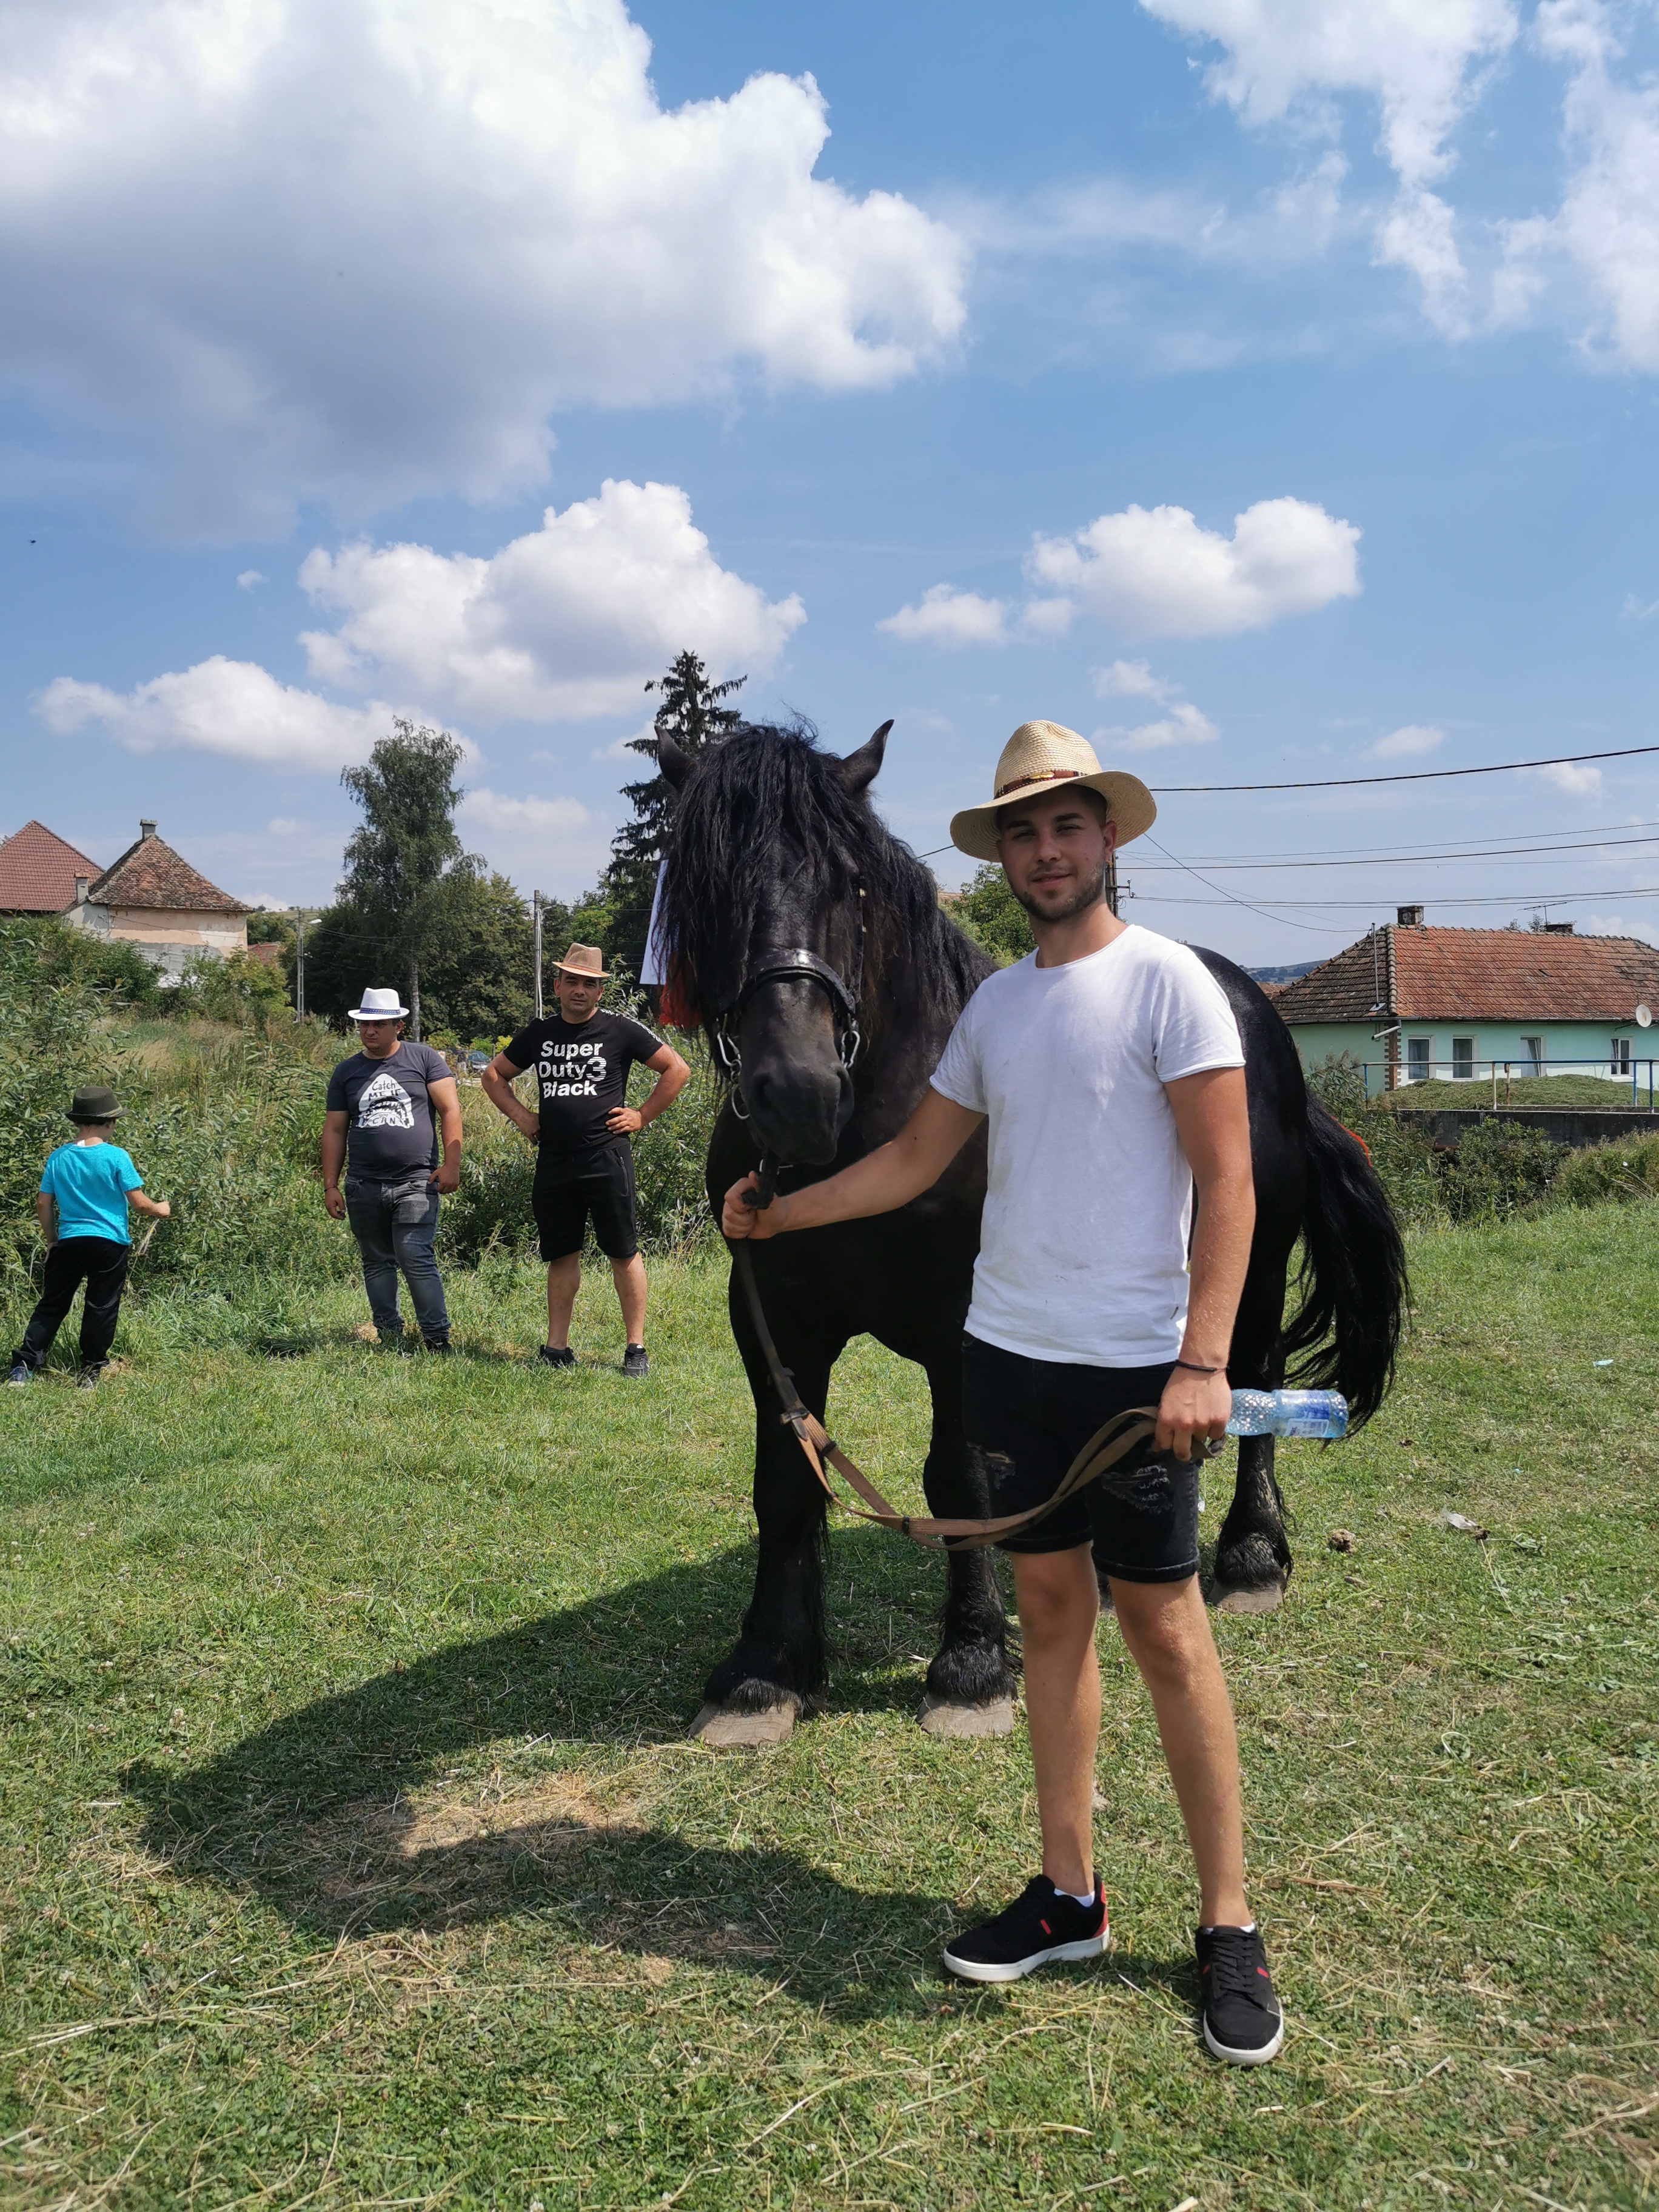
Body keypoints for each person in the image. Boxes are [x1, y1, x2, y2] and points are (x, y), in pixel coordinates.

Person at [723, 720, 1284, 2066]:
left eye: (1066, 826)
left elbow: (1228, 1181)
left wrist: (1204, 1358)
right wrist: (782, 1217)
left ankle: (1229, 1923)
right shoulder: (995, 1008)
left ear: (1108, 838)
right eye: (1023, 832)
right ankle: (1068, 1894)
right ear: (1003, 857)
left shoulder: (1170, 985)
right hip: (1013, 1359)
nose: (1046, 851)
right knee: (1047, 1618)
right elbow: (915, 1160)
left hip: (1132, 1372)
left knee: (1166, 1632)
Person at [484, 943, 689, 1377]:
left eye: (589, 984)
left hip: (606, 1158)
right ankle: (556, 1348)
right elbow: (493, 1074)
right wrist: (522, 1116)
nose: (580, 990)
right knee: (562, 1255)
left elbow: (677, 1070)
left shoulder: (620, 1029)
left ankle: (635, 1348)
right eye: (572, 981)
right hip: (555, 1161)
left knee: (623, 1252)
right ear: (557, 985)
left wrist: (642, 1115)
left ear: (600, 991)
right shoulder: (539, 1033)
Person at [323, 987, 463, 1352]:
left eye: (379, 1025)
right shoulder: (347, 1072)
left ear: (399, 1025)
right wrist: (330, 1185)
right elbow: (335, 1129)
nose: (370, 1031)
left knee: (415, 1255)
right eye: (364, 1025)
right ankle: (389, 1336)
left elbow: (450, 1109)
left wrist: (452, 1165)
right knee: (376, 1261)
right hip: (363, 1184)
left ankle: (437, 1339)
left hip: (417, 1180)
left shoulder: (424, 1059)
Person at [7, 1085, 170, 1389]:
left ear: (78, 1122)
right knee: (101, 1307)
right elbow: (139, 1204)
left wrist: (52, 1240)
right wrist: (160, 1209)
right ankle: (90, 1372)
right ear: (109, 1122)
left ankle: (23, 1366)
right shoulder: (116, 1157)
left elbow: (43, 1203)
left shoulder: (58, 1157)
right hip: (109, 1242)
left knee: (52, 1304)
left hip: (70, 1241)